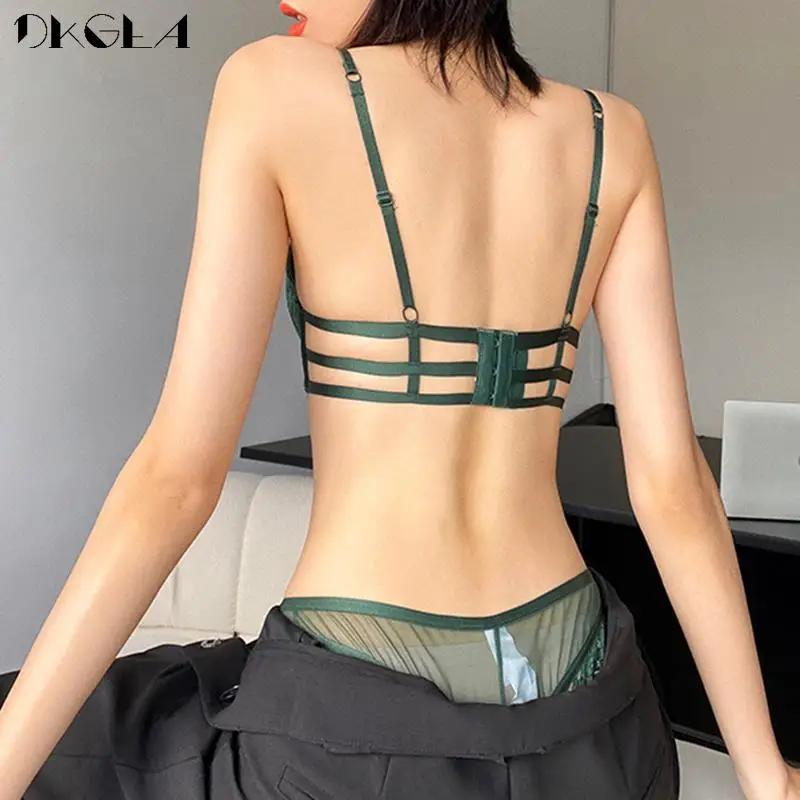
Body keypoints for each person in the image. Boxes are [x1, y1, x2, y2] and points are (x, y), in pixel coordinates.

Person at [0, 1, 797, 799]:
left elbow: (176, 480)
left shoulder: (270, 85)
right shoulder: (611, 132)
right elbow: (673, 487)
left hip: (358, 742)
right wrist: (766, 777)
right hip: (596, 727)